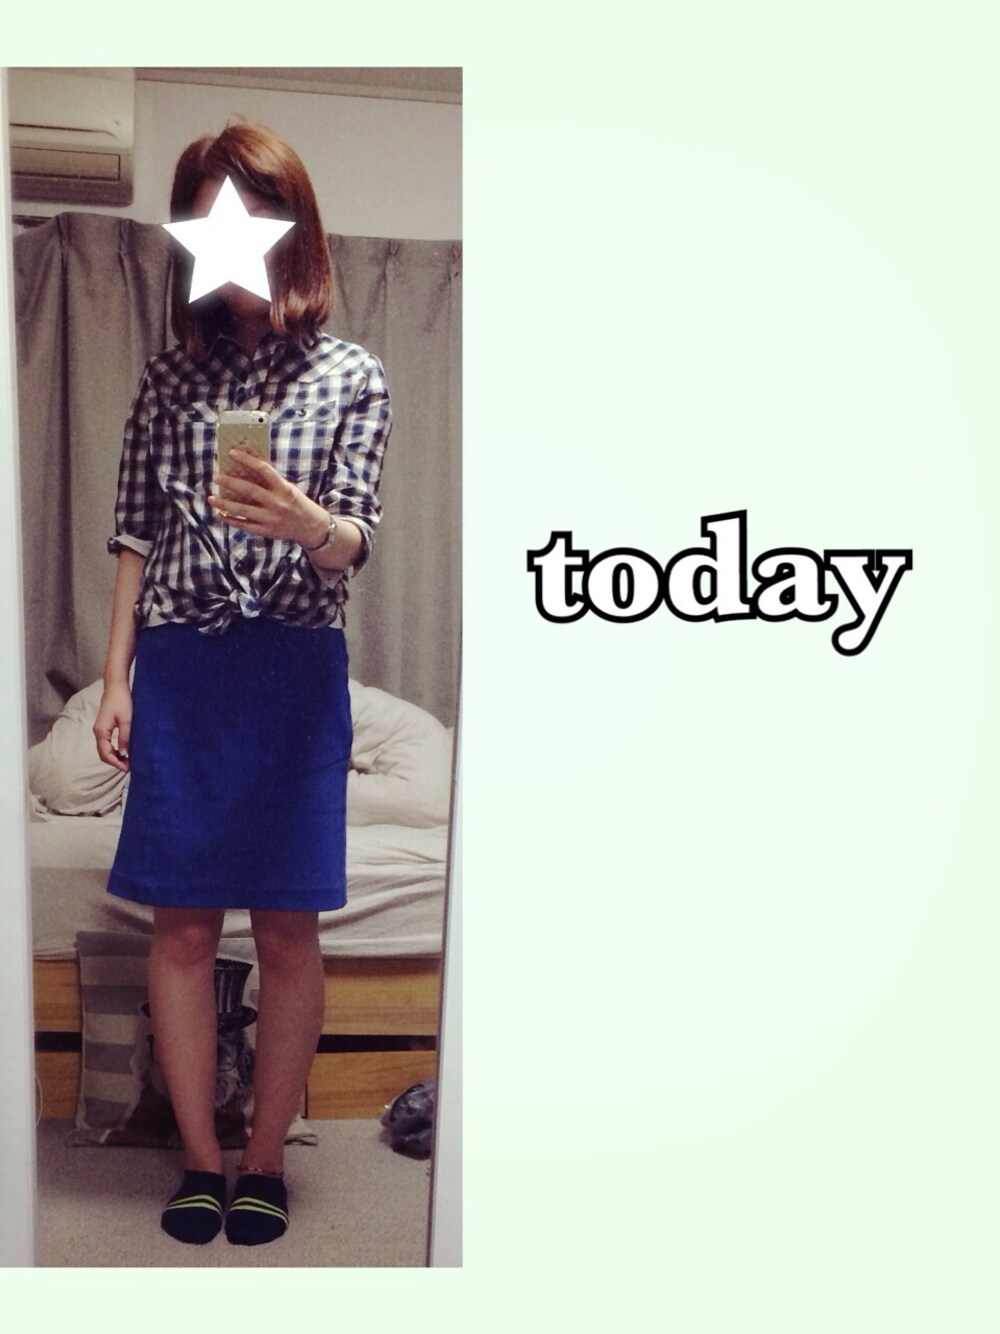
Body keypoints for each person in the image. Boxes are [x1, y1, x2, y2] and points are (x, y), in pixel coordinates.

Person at [92, 122, 390, 1247]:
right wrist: (116, 678)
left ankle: (263, 1158)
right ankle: (199, 1158)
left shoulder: (353, 375)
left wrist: (308, 521)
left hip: (295, 672)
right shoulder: (169, 375)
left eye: (252, 212)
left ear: (291, 227)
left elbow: (354, 542)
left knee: (287, 928)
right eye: (211, 213)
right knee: (180, 928)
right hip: (184, 668)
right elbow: (135, 534)